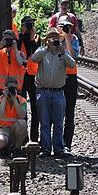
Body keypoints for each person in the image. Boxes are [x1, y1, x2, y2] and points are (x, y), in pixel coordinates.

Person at [29, 28, 76, 158]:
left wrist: (63, 52)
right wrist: (46, 48)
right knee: (44, 122)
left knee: (58, 123)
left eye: (56, 37)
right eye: (51, 37)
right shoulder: (42, 51)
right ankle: (46, 148)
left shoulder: (63, 52)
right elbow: (34, 58)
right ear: (47, 39)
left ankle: (59, 148)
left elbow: (72, 65)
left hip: (58, 92)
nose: (54, 39)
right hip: (43, 91)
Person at [58, 16, 81, 154]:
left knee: (69, 113)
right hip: (58, 77)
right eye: (63, 26)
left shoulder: (74, 39)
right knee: (57, 113)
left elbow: (73, 56)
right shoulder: (53, 37)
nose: (66, 28)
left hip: (71, 78)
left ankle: (67, 143)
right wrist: (60, 37)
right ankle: (57, 142)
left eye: (68, 26)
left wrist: (67, 38)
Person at [17, 15, 41, 142]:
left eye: (30, 24)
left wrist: (32, 37)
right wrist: (22, 34)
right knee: (22, 109)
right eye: (27, 24)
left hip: (33, 76)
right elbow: (18, 48)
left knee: (35, 109)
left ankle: (34, 138)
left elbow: (35, 52)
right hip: (21, 77)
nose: (29, 27)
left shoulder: (36, 38)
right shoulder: (19, 38)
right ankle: (24, 138)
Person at [0, 76, 28, 156]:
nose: (12, 90)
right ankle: (5, 148)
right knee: (0, 142)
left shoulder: (21, 100)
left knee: (23, 123)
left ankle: (16, 148)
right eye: (10, 88)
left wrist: (15, 99)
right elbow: (0, 115)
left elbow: (22, 115)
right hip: (1, 128)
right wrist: (5, 98)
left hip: (14, 129)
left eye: (14, 88)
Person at [0, 29, 26, 94]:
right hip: (0, 88)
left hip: (15, 87)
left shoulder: (20, 54)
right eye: (5, 39)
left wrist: (15, 49)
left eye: (10, 39)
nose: (7, 41)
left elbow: (20, 62)